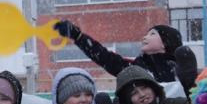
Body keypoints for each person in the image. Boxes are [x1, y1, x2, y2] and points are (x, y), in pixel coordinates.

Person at [53, 21, 198, 92]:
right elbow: (105, 58)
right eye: (146, 33)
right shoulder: (136, 67)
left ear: (166, 43)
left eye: (152, 34)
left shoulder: (182, 68)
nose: (144, 37)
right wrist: (78, 37)